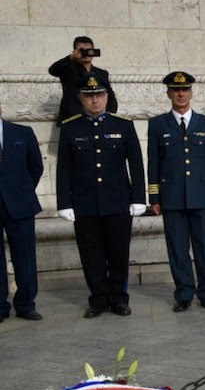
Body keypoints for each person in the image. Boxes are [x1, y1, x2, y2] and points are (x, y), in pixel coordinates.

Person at [56, 76, 146, 317]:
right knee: (91, 253)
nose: (94, 100)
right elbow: (63, 168)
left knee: (118, 252)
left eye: (99, 95)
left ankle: (118, 298)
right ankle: (97, 298)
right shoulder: (70, 127)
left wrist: (138, 197)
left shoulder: (123, 125)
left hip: (117, 201)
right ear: (81, 98)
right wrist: (64, 202)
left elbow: (136, 164)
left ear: (107, 97)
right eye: (89, 95)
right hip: (84, 203)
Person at [147, 71, 205, 312]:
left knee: (203, 247)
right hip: (171, 198)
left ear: (191, 93)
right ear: (169, 93)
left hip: (200, 196)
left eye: (185, 90)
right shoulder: (157, 124)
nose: (180, 94)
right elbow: (153, 162)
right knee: (177, 249)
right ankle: (183, 293)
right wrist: (155, 197)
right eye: (175, 90)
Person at [0, 99, 43, 321]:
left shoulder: (22, 133)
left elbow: (36, 166)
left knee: (25, 256)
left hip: (20, 204)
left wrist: (21, 191)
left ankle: (26, 304)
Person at [50, 36, 117, 123]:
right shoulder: (68, 70)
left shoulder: (101, 73)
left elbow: (110, 96)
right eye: (82, 50)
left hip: (97, 120)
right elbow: (53, 70)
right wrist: (71, 57)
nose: (85, 53)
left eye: (88, 50)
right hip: (73, 119)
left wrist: (109, 116)